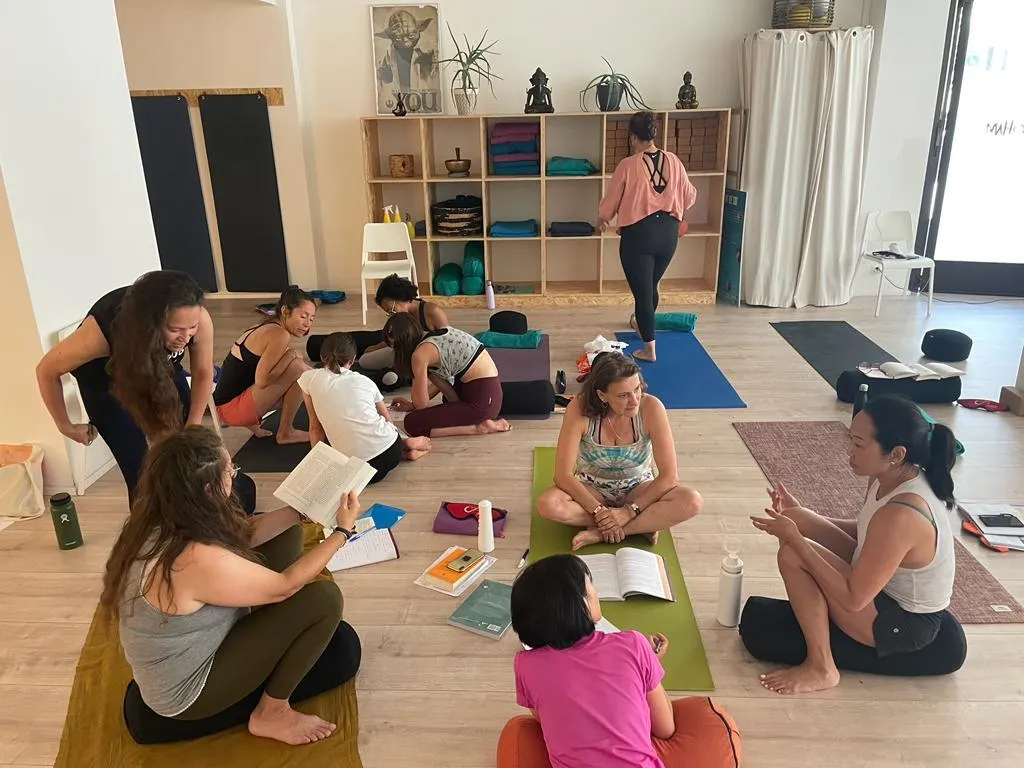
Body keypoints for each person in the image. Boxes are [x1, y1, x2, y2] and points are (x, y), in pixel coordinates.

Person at [101, 426, 361, 745]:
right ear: (209, 489)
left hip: (194, 647)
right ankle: (272, 713)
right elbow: (285, 586)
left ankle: (275, 631)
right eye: (231, 471)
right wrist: (342, 532)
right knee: (324, 600)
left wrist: (299, 510)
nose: (235, 476)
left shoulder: (161, 513)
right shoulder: (192, 559)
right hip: (189, 692)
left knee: (286, 533)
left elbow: (243, 533)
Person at [749, 395, 959, 695]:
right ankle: (801, 526)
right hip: (882, 587)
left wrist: (797, 538)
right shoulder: (887, 476)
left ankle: (821, 667)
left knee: (794, 552)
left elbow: (852, 599)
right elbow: (867, 535)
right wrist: (804, 517)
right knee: (799, 518)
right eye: (850, 440)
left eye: (859, 445)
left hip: (902, 622)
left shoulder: (902, 513)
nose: (849, 451)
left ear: (896, 454)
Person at [502, 554, 742, 768]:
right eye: (591, 586)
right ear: (582, 604)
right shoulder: (633, 644)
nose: (595, 593)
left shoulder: (526, 666)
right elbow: (665, 728)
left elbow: (547, 720)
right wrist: (649, 666)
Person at [36, 270, 216, 498]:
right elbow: (46, 370)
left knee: (190, 454)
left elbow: (202, 371)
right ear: (151, 323)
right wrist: (66, 426)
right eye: (175, 329)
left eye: (192, 327)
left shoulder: (197, 319)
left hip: (161, 368)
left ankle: (195, 520)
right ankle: (149, 527)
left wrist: (194, 423)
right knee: (141, 474)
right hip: (109, 382)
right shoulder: (101, 335)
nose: (186, 337)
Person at [536, 353, 701, 551]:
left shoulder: (652, 407)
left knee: (692, 501)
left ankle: (601, 533)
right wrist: (598, 511)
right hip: (592, 488)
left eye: (637, 389)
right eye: (623, 395)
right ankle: (643, 525)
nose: (634, 400)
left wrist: (630, 511)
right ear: (601, 395)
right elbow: (562, 476)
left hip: (638, 488)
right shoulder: (578, 409)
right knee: (548, 504)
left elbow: (669, 477)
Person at [598, 111, 697, 362]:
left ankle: (649, 349)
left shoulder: (628, 165)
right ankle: (644, 326)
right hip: (668, 235)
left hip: (639, 236)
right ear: (654, 134)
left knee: (642, 293)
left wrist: (603, 217)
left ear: (633, 137)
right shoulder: (674, 160)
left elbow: (611, 200)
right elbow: (690, 196)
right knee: (650, 286)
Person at [298, 332, 431, 483]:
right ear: (353, 359)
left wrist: (317, 462)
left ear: (322, 357)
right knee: (382, 434)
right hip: (390, 454)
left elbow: (316, 427)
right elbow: (389, 422)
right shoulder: (366, 381)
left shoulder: (308, 379)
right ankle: (404, 447)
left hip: (356, 473)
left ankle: (405, 451)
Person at [213, 286, 316, 445]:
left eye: (311, 319)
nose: (307, 324)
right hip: (231, 410)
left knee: (299, 366)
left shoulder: (264, 326)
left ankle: (262, 425)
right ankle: (286, 432)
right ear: (285, 311)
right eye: (303, 316)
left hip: (223, 404)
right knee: (299, 369)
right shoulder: (279, 334)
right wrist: (290, 356)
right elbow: (262, 380)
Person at [383, 313, 512, 438]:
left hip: (482, 403)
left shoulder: (420, 355)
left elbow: (421, 404)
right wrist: (412, 405)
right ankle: (476, 420)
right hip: (487, 396)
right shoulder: (434, 337)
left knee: (412, 423)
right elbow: (445, 387)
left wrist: (417, 403)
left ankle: (479, 427)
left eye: (395, 347)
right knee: (442, 404)